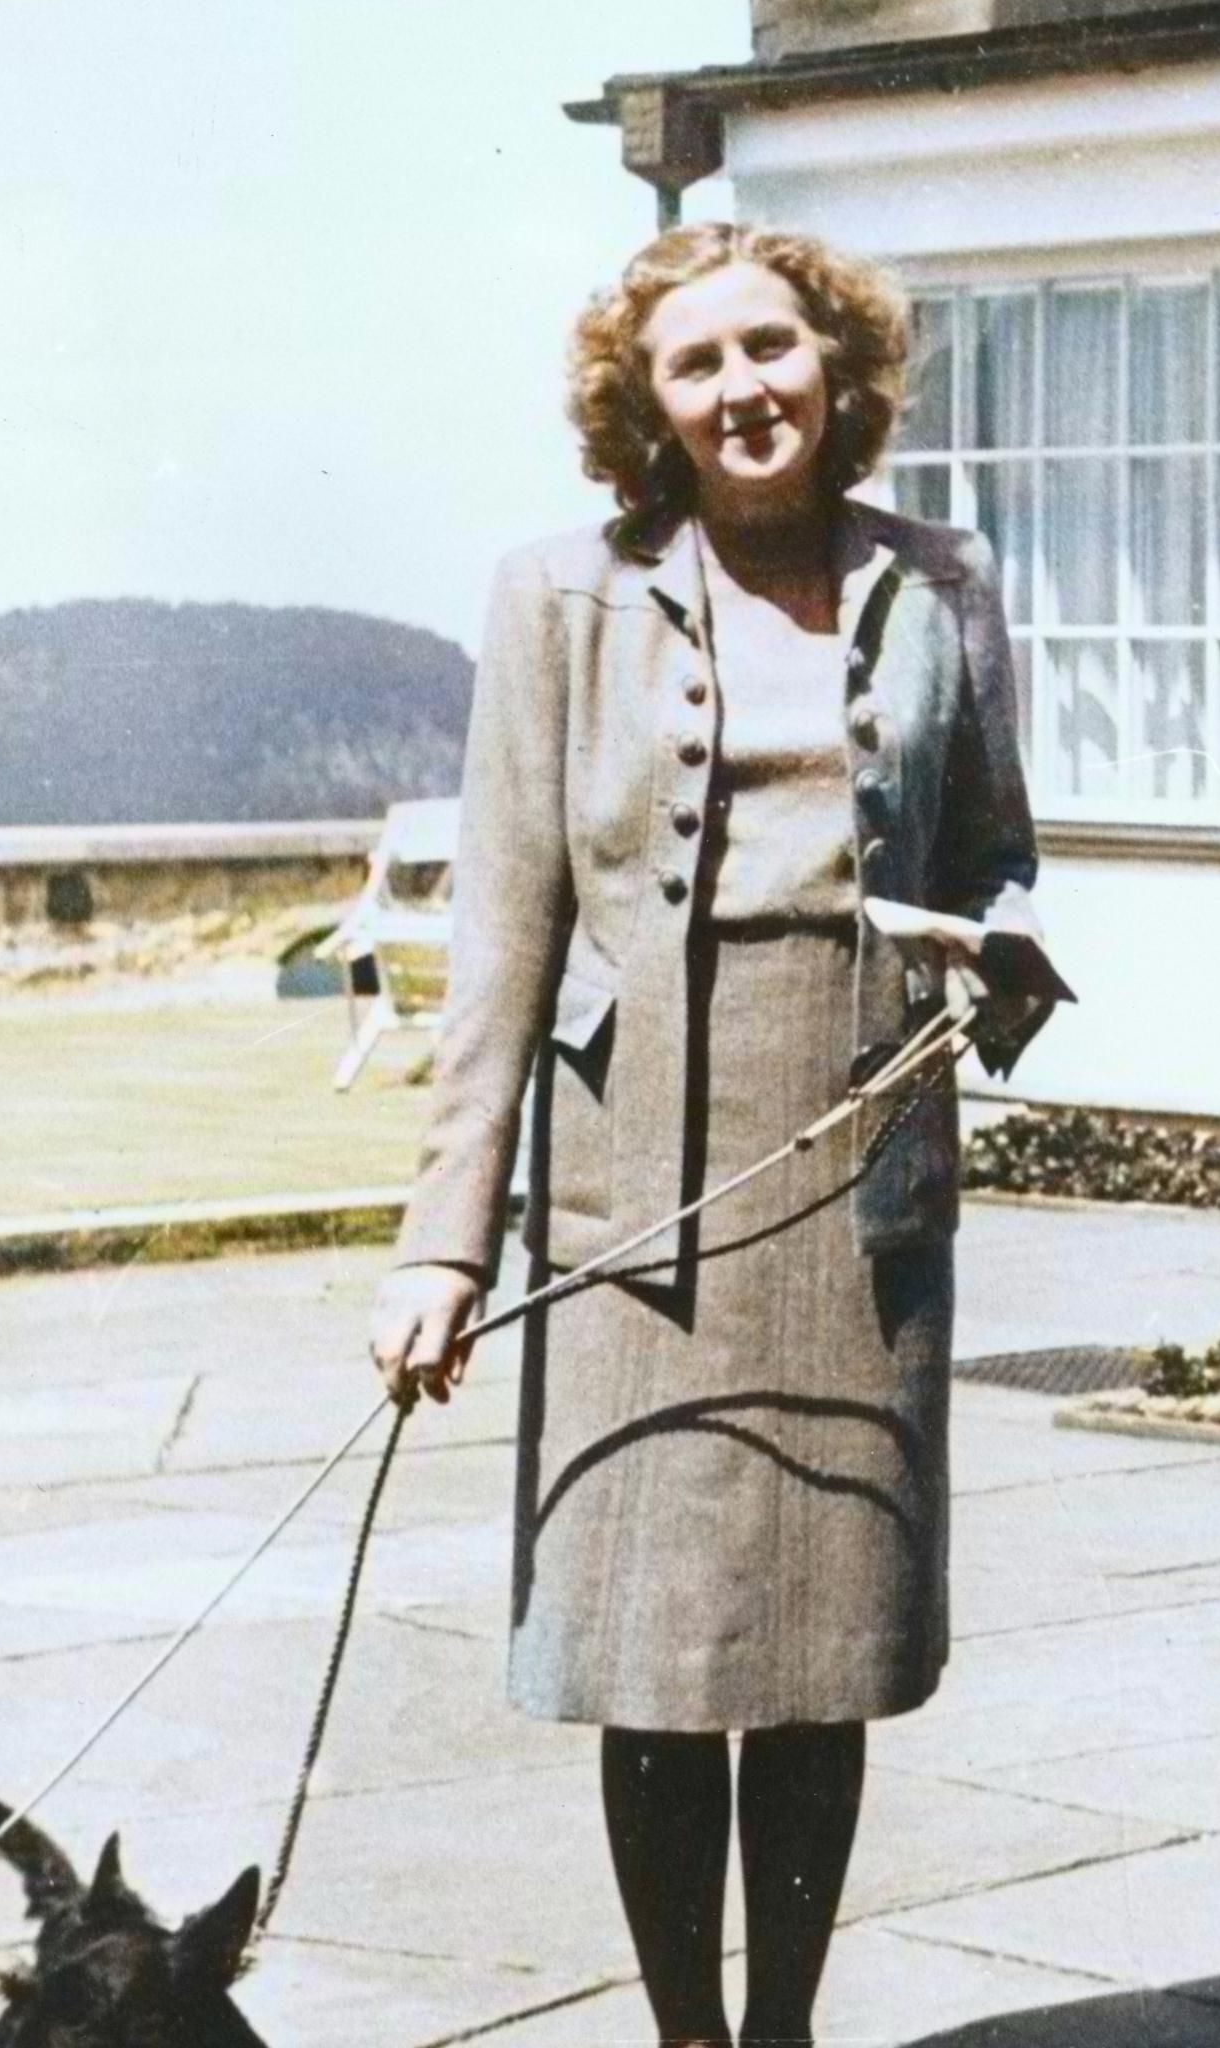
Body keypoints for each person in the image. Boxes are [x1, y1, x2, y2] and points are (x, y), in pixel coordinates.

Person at [362, 222, 1038, 2048]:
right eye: (698, 363)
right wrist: (444, 1241)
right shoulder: (556, 597)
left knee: (821, 1649)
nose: (745, 390)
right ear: (645, 403)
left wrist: (1002, 959)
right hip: (632, 1195)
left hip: (861, 1174)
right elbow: (504, 935)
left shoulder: (947, 580)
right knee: (655, 1660)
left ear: (836, 365)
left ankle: (785, 2033)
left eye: (772, 348)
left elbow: (997, 854)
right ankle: (684, 2036)